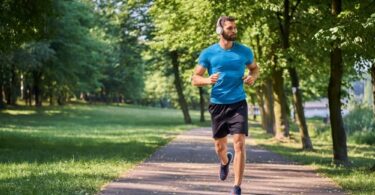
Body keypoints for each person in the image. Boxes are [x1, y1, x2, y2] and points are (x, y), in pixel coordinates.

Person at [191, 16, 259, 195]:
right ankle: (224, 162)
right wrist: (207, 80)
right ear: (220, 31)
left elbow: (254, 68)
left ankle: (236, 187)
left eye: (235, 28)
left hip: (238, 103)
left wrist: (253, 77)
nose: (234, 31)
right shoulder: (208, 53)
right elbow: (194, 78)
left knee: (239, 144)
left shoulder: (244, 51)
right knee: (220, 147)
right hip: (218, 105)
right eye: (230, 28)